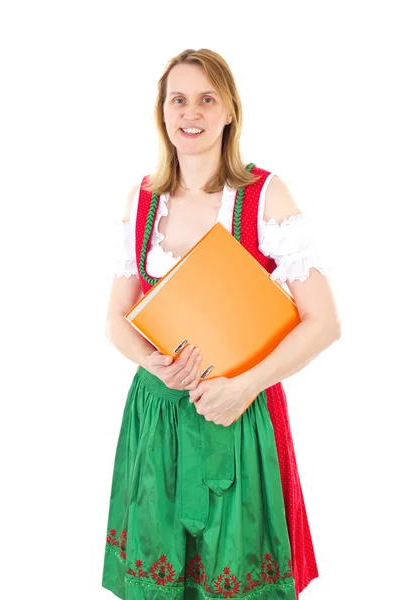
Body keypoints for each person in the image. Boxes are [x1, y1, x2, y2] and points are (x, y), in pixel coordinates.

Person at [101, 48, 341, 600]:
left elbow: (323, 322)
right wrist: (150, 363)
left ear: (230, 110)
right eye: (179, 99)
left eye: (208, 99)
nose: (193, 113)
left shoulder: (262, 196)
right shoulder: (144, 199)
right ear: (163, 112)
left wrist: (242, 387)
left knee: (237, 579)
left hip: (240, 414)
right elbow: (116, 318)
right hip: (157, 416)